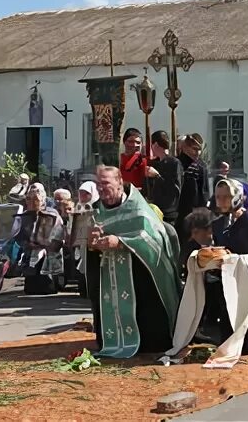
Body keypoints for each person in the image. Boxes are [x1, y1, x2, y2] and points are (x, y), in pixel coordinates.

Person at [86, 166, 181, 357]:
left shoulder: (138, 208)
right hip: (110, 277)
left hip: (141, 275)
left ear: (120, 182)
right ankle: (113, 339)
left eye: (105, 183)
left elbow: (152, 240)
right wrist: (92, 244)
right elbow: (91, 248)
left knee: (147, 310)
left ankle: (149, 341)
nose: (101, 189)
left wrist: (120, 242)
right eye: (98, 184)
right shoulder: (96, 212)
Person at [14, 185, 65, 294]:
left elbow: (59, 234)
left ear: (42, 200)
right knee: (31, 288)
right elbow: (18, 236)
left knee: (47, 286)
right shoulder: (23, 216)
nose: (32, 202)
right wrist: (27, 243)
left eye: (35, 199)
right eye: (28, 199)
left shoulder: (52, 214)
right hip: (30, 253)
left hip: (48, 254)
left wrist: (47, 245)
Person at [146, 131, 183, 225]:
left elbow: (175, 190)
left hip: (168, 214)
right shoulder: (155, 163)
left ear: (155, 144)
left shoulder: (174, 163)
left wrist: (157, 176)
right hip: (155, 210)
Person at [177, 133, 210, 234]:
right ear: (185, 147)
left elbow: (204, 191)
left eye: (199, 149)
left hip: (196, 212)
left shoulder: (201, 165)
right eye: (194, 149)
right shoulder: (178, 163)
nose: (198, 153)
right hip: (180, 211)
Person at [179, 208, 215, 279]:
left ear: (209, 230)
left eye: (196, 232)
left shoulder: (224, 245)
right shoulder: (191, 251)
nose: (193, 236)